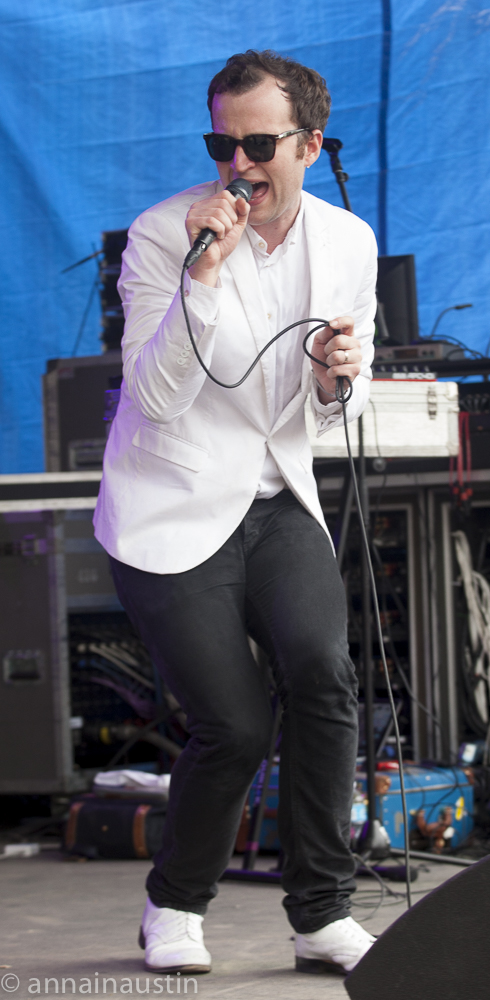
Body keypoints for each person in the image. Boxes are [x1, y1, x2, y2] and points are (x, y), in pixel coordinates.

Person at [93, 50, 378, 976]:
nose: (238, 164)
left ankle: (321, 913)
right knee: (237, 725)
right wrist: (201, 275)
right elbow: (156, 398)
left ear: (309, 144)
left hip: (274, 490)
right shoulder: (162, 234)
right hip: (169, 504)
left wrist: (340, 382)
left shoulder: (348, 241)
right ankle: (174, 905)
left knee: (322, 675)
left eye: (259, 143)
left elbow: (334, 403)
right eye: (223, 141)